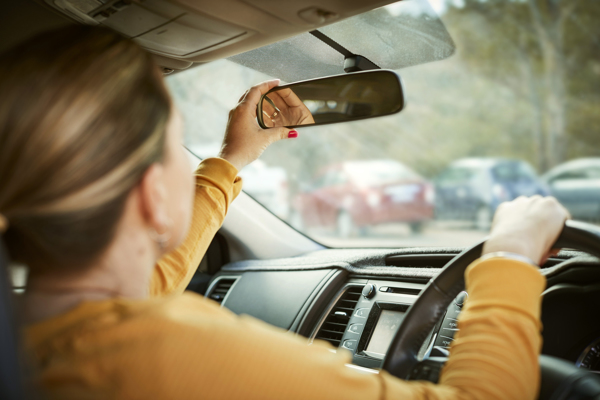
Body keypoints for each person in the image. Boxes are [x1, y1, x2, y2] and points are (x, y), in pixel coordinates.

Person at [0, 26, 569, 400]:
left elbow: (152, 284)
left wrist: (235, 157)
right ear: (152, 192)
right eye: (176, 146)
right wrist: (512, 259)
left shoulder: (40, 330)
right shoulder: (163, 352)